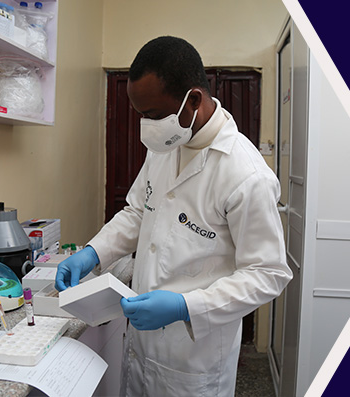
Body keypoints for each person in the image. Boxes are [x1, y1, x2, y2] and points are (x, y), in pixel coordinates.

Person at [55, 36, 292, 396]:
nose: (146, 126)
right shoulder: (169, 143)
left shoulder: (246, 175)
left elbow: (267, 273)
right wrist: (93, 252)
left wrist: (186, 306)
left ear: (193, 100)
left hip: (193, 358)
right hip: (142, 345)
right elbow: (138, 210)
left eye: (152, 115)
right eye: (141, 115)